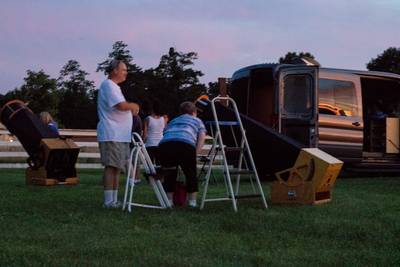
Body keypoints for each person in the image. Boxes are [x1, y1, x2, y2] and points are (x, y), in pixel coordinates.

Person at [97, 59, 140, 209]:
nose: (126, 73)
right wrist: (133, 106)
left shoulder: (114, 87)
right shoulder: (108, 85)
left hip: (119, 134)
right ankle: (108, 201)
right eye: (124, 70)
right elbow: (120, 105)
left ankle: (114, 200)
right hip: (112, 133)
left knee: (116, 167)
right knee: (111, 166)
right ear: (114, 70)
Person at [158, 101, 206, 208]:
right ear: (194, 112)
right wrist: (195, 154)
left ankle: (169, 201)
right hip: (185, 144)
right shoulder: (197, 120)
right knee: (190, 173)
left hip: (165, 145)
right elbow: (201, 137)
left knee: (169, 173)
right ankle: (192, 202)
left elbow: (165, 132)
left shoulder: (174, 120)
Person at [143, 100, 167, 164]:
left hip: (150, 143)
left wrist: (142, 142)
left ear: (152, 109)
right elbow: (164, 131)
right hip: (160, 143)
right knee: (159, 165)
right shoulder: (164, 119)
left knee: (150, 164)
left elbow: (145, 134)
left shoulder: (148, 119)